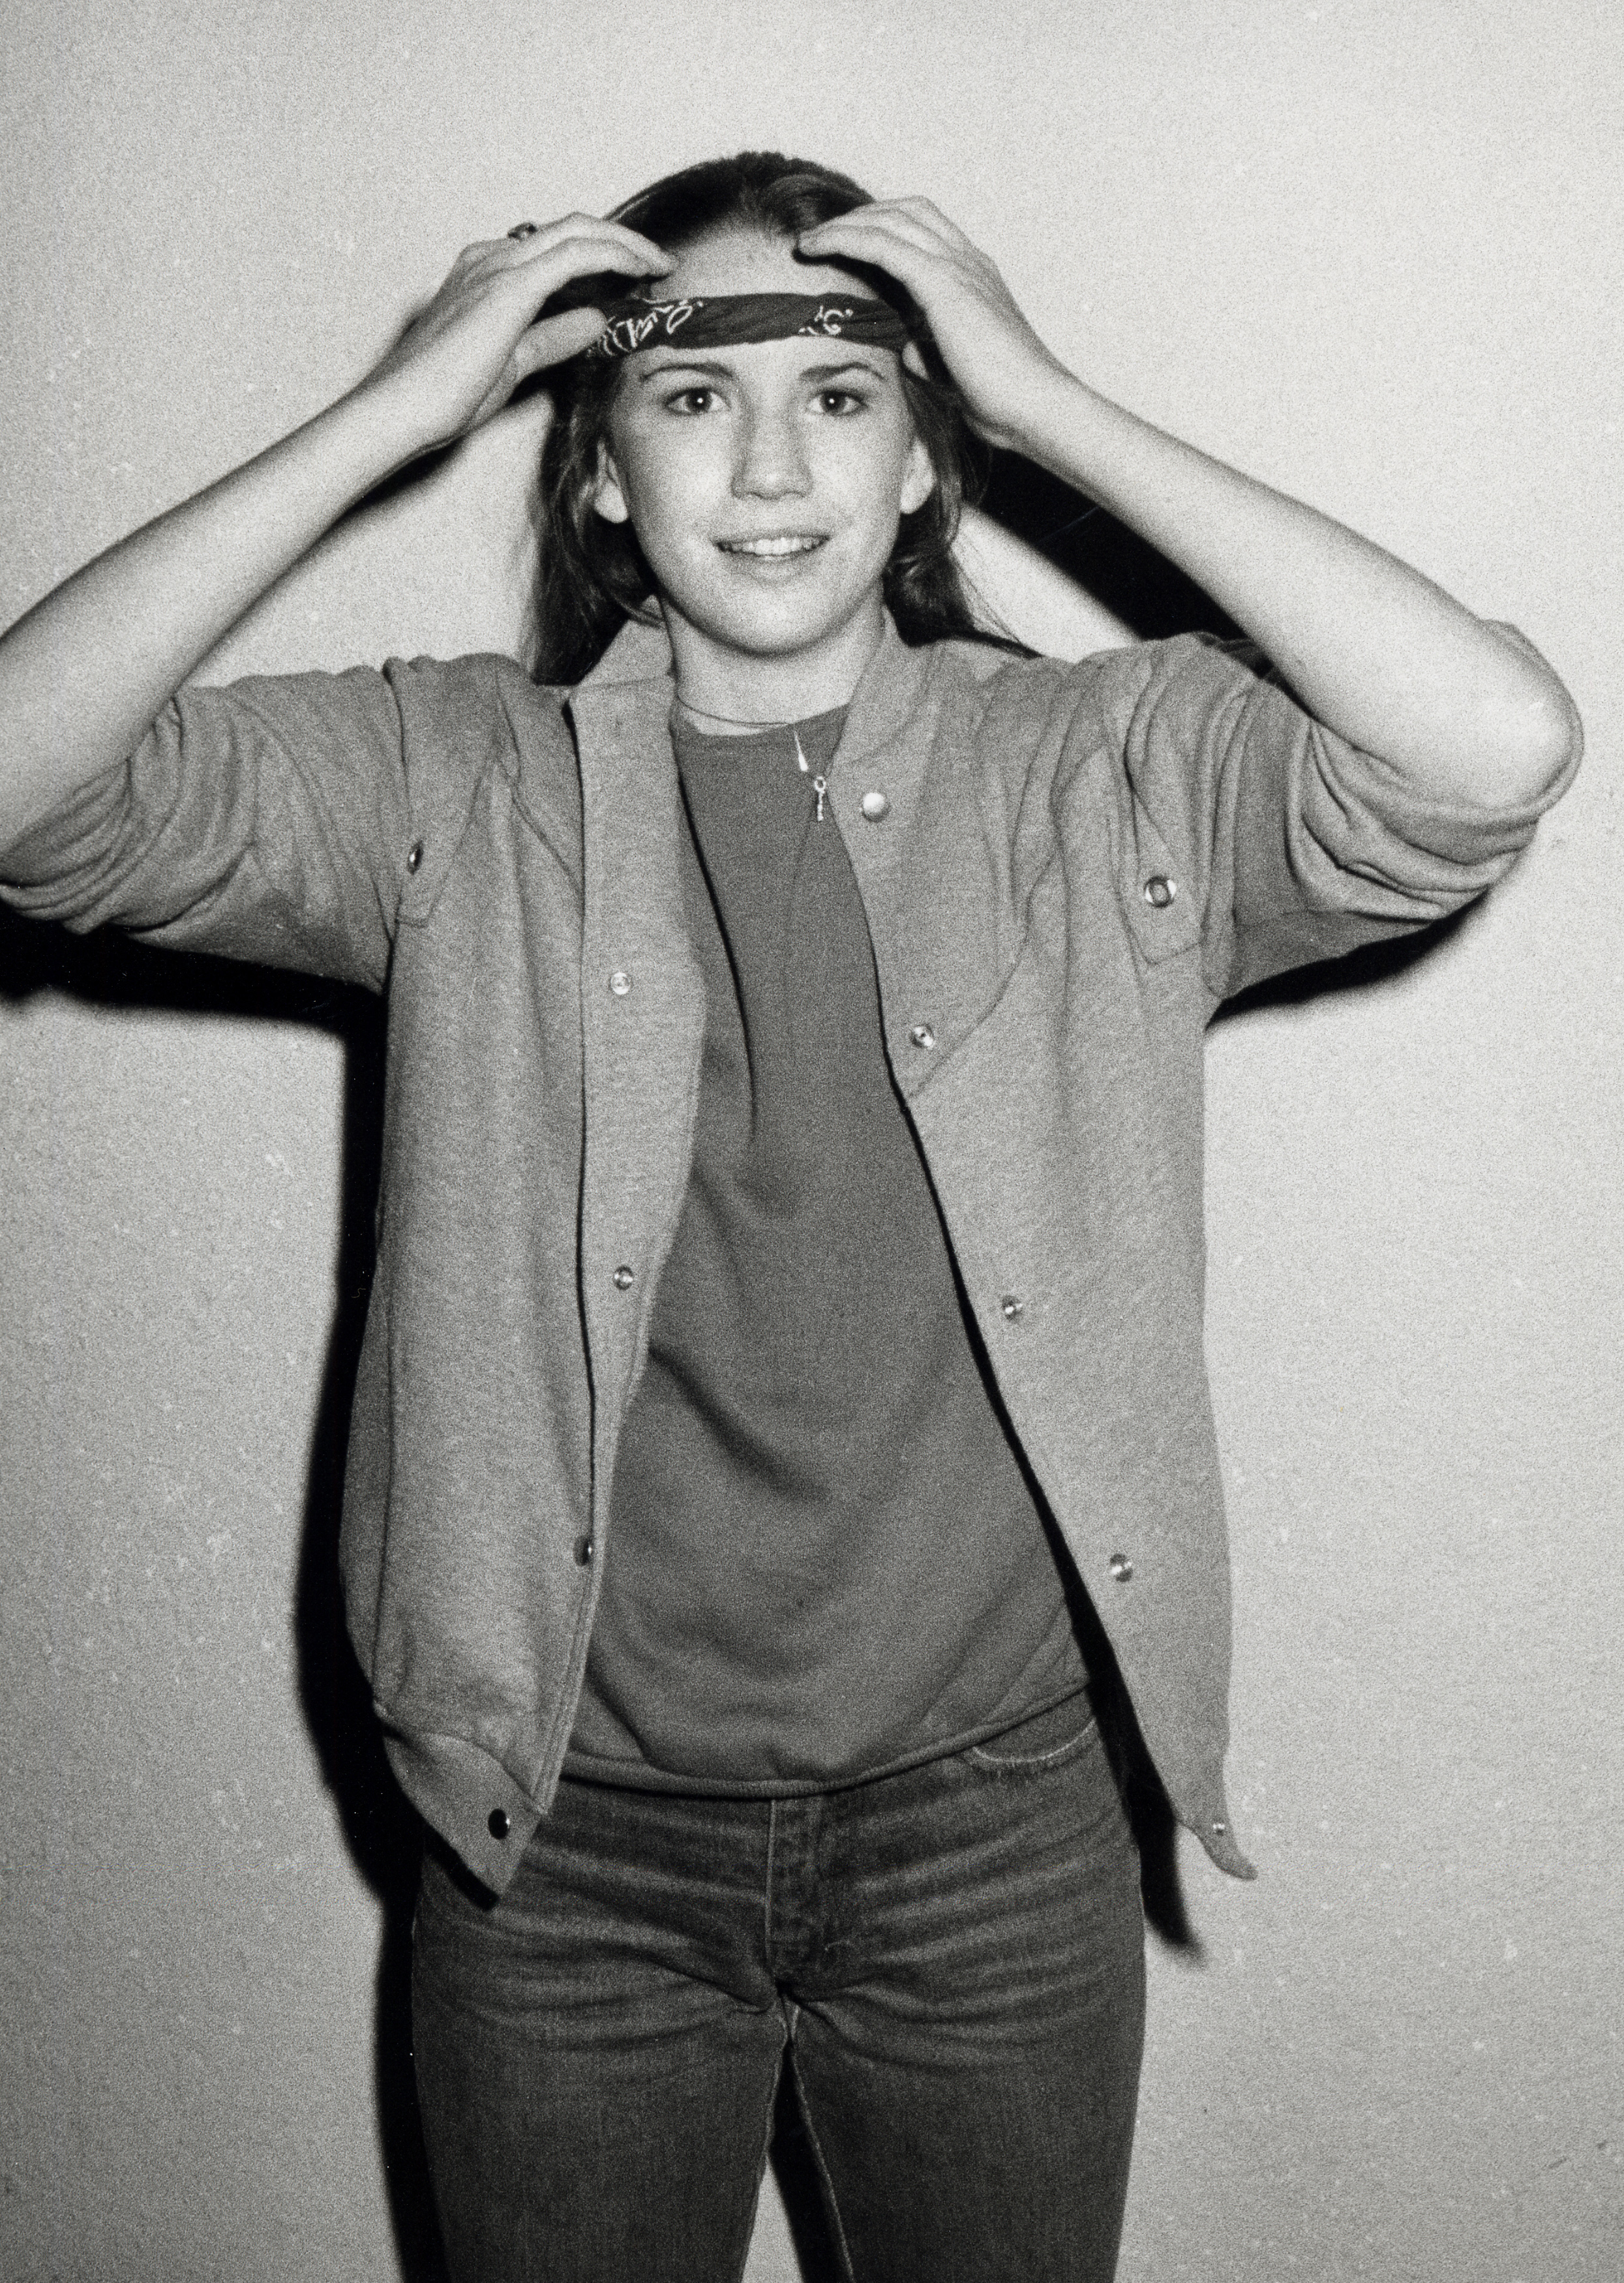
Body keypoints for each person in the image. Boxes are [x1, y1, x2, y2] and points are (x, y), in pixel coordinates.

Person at [0, 153, 1580, 2282]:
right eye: (691, 398)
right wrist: (390, 413)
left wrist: (1045, 394)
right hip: (561, 1854)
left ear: (926, 465)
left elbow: (1495, 743)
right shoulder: (457, 788)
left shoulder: (1093, 772)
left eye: (845, 398)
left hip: (993, 1834)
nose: (768, 462)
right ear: (594, 476)